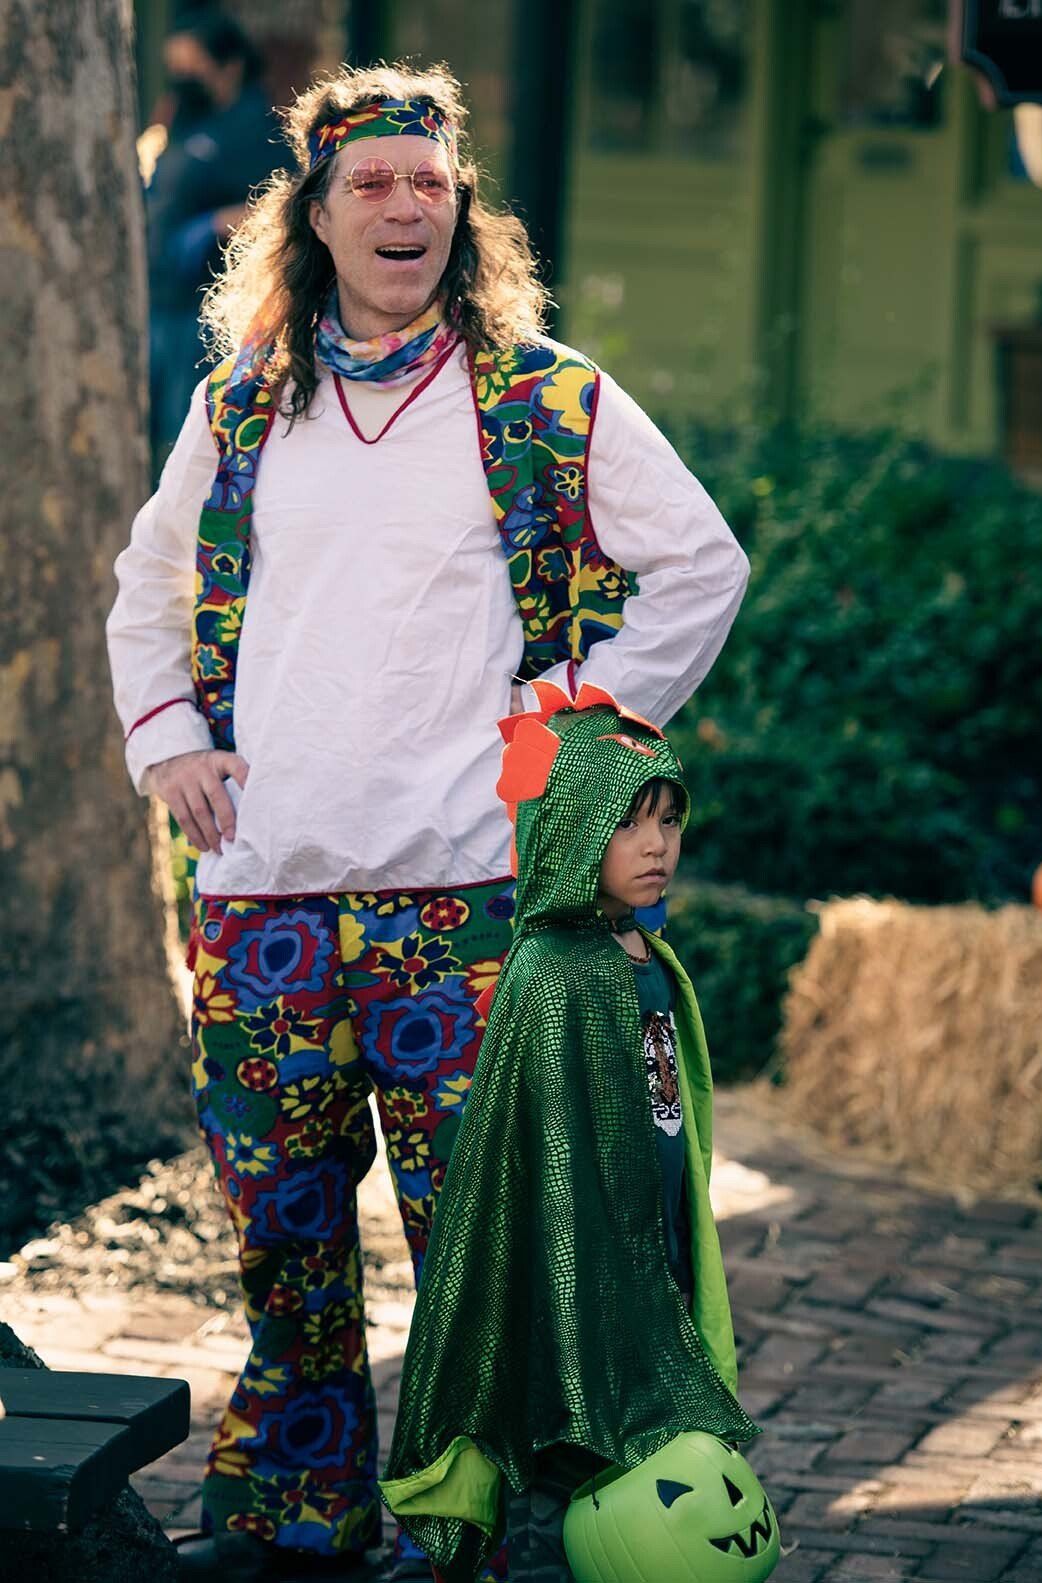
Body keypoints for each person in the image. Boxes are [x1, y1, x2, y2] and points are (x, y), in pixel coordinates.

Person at [106, 59, 750, 1581]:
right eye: (369, 184)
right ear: (314, 216)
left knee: (478, 1235)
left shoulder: (541, 394)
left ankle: (471, 1517)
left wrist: (569, 724)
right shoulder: (244, 406)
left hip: (464, 900)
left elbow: (701, 567)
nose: (404, 206)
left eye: (430, 183)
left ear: (461, 212)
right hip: (262, 892)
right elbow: (147, 588)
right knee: (286, 1234)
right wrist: (171, 741)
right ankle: (294, 1512)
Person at [380, 684, 759, 1583]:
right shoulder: (553, 974)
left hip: (649, 1230)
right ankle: (560, 1552)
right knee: (578, 1431)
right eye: (631, 825)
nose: (658, 845)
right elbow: (547, 1163)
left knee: (647, 1413)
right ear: (573, 832)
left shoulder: (640, 952)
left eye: (669, 822)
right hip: (582, 1258)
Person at [145, 10, 291, 461]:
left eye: (192, 68)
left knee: (197, 442)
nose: (181, 79)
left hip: (208, 314)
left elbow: (285, 200)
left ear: (230, 66)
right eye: (175, 68)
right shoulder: (184, 122)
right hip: (162, 305)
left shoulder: (253, 129)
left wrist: (212, 225)